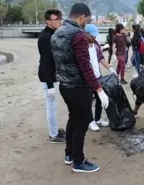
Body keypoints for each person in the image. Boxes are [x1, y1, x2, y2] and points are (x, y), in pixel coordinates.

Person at [51, 3, 109, 172]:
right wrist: (99, 89)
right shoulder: (78, 35)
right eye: (87, 20)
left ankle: (69, 154)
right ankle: (79, 161)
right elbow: (85, 66)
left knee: (73, 119)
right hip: (78, 87)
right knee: (81, 124)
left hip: (65, 86)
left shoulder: (57, 32)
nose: (86, 23)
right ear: (82, 17)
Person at [37, 9, 65, 143]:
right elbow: (45, 63)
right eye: (56, 19)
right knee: (51, 106)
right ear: (47, 21)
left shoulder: (53, 34)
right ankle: (53, 135)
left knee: (54, 104)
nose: (59, 21)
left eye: (59, 18)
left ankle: (54, 130)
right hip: (48, 77)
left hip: (54, 75)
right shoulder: (45, 38)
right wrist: (49, 85)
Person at [85, 24, 117, 131]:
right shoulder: (83, 47)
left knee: (99, 99)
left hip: (98, 76)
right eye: (92, 36)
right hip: (88, 78)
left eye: (95, 36)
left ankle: (98, 119)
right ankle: (90, 121)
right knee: (88, 100)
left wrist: (110, 68)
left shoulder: (96, 45)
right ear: (86, 34)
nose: (94, 38)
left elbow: (101, 58)